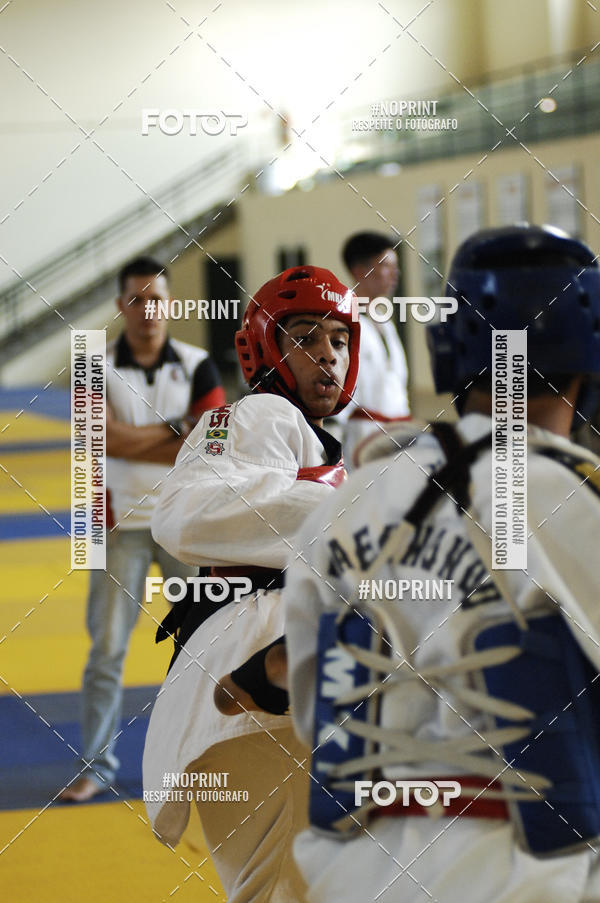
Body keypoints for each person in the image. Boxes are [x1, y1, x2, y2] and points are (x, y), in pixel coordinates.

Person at [284, 225, 600, 902]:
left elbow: (313, 710)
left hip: (353, 874)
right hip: (534, 874)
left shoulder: (345, 505)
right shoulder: (572, 501)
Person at [142, 265, 360, 903]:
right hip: (261, 680)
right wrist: (355, 511)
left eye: (339, 340)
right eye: (305, 336)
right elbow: (185, 513)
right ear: (265, 347)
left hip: (263, 691)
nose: (326, 354)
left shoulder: (315, 439)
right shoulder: (259, 412)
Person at [59, 256, 225, 802]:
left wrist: (137, 437)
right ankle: (97, 765)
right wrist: (175, 433)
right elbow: (97, 440)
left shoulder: (200, 363)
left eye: (156, 299)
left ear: (170, 304)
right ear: (120, 305)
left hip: (187, 523)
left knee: (204, 643)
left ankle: (202, 758)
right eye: (137, 299)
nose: (147, 309)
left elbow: (213, 444)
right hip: (113, 523)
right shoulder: (93, 365)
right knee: (107, 649)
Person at [331, 231, 410, 467]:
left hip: (399, 435)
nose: (395, 273)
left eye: (395, 266)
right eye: (386, 266)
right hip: (362, 443)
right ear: (360, 271)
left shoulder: (385, 323)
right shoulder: (343, 325)